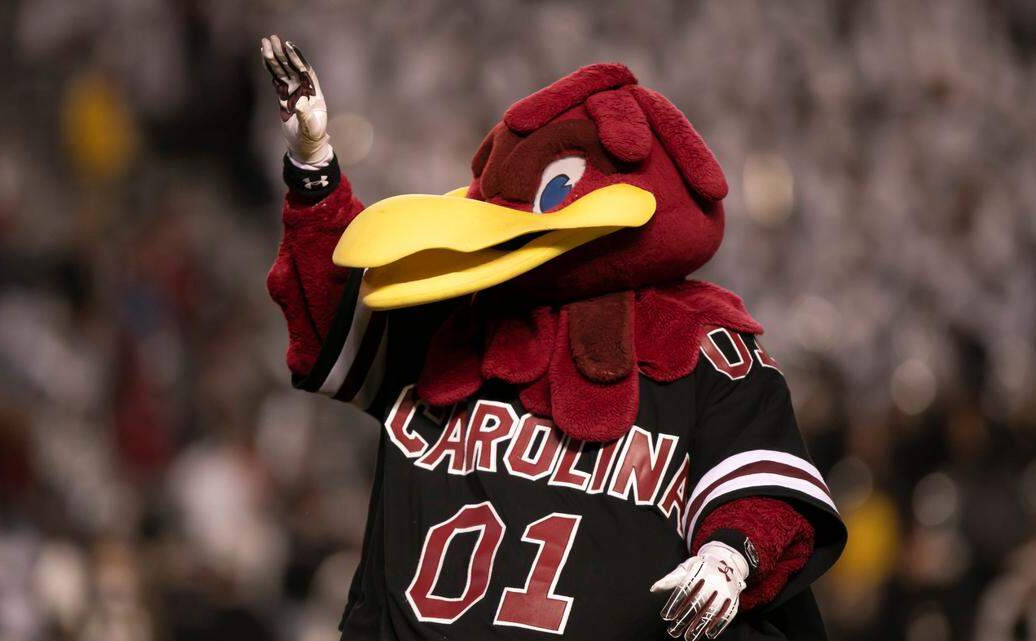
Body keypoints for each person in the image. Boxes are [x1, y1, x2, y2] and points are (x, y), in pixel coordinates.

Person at [261, 34, 845, 640]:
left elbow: (763, 484)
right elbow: (331, 318)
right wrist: (313, 168)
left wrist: (729, 557)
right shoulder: (455, 313)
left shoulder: (698, 339)